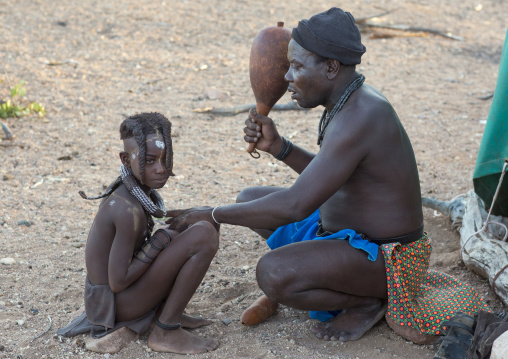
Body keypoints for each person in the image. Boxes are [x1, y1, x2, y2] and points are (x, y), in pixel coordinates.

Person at [167, 8, 488, 343]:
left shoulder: (361, 117)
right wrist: (280, 147)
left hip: (389, 260)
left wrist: (212, 214)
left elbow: (295, 205)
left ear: (331, 67)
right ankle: (337, 281)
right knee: (249, 199)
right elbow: (333, 179)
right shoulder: (349, 103)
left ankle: (367, 302)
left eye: (298, 66)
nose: (287, 77)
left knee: (273, 272)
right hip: (352, 237)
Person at [57, 112, 219, 354]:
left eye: (166, 159)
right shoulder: (126, 210)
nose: (161, 169)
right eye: (150, 161)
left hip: (122, 296)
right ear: (125, 159)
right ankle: (166, 330)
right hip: (114, 306)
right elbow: (118, 280)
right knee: (203, 234)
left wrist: (171, 232)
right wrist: (161, 240)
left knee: (205, 219)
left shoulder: (134, 192)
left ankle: (167, 313)